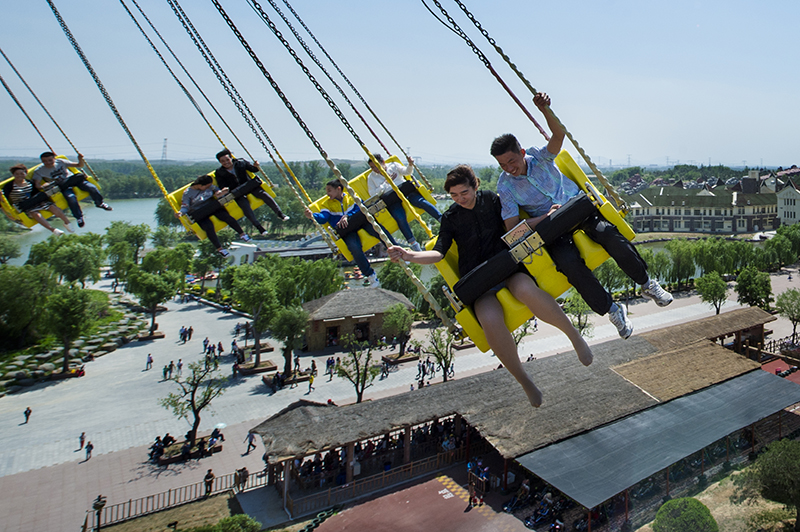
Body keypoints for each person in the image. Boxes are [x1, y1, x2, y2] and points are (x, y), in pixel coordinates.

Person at [388, 164, 593, 407]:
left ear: (475, 186)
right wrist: (409, 255)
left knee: (527, 290)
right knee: (489, 319)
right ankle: (524, 380)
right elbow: (439, 253)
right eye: (454, 195)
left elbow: (513, 229)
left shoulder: (492, 200)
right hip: (479, 279)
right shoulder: (450, 218)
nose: (460, 199)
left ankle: (574, 337)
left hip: (506, 265)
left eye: (464, 193)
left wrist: (544, 218)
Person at [490, 95, 672, 339]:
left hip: (576, 207)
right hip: (552, 226)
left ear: (522, 152)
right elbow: (514, 229)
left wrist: (545, 110)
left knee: (608, 234)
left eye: (511, 161)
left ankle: (647, 283)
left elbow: (558, 136)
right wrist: (544, 217)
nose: (509, 168)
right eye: (503, 165)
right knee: (570, 266)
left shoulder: (538, 157)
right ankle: (612, 310)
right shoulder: (505, 186)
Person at [304, 179, 383, 287]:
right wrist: (312, 216)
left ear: (338, 189)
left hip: (358, 222)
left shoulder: (351, 196)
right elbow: (323, 218)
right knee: (354, 248)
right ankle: (370, 275)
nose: (327, 194)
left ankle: (396, 248)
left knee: (378, 230)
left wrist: (347, 216)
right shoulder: (326, 204)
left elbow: (360, 207)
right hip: (346, 230)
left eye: (329, 190)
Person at [366, 154, 440, 251]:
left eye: (376, 166)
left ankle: (441, 218)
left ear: (383, 162)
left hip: (405, 191)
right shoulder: (371, 177)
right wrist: (386, 183)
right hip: (391, 199)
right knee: (400, 217)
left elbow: (406, 172)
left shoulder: (393, 165)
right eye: (372, 167)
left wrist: (410, 164)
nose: (375, 169)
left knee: (421, 202)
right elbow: (373, 194)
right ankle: (413, 243)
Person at [214, 149, 289, 235]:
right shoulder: (219, 172)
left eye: (227, 159)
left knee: (264, 195)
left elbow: (253, 169)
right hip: (237, 191)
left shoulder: (241, 162)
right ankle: (259, 227)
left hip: (248, 185)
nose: (226, 162)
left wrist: (256, 166)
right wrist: (224, 190)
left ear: (231, 158)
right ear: (220, 162)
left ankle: (280, 214)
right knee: (245, 207)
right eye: (222, 161)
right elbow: (222, 185)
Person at [177, 174, 252, 258]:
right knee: (209, 227)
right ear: (200, 185)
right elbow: (185, 207)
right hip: (199, 212)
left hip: (211, 206)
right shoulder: (188, 193)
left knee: (226, 216)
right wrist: (180, 213)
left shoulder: (210, 186)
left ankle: (242, 234)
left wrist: (220, 193)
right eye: (206, 187)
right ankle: (220, 249)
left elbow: (217, 191)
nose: (208, 188)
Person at [31, 152, 111, 227]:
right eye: (45, 161)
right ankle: (79, 217)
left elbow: (79, 165)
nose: (48, 163)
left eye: (50, 160)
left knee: (92, 187)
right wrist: (45, 185)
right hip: (63, 185)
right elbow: (37, 185)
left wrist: (80, 159)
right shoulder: (39, 171)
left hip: (73, 180)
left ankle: (100, 203)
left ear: (54, 159)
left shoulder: (60, 162)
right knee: (71, 198)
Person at [4, 164, 74, 235]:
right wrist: (8, 214)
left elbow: (36, 193)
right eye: (17, 174)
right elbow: (4, 201)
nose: (19, 176)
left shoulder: (29, 183)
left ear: (25, 174)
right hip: (23, 205)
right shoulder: (9, 186)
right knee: (35, 214)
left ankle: (67, 223)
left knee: (52, 207)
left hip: (33, 201)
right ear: (13, 175)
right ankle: (53, 230)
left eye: (22, 173)